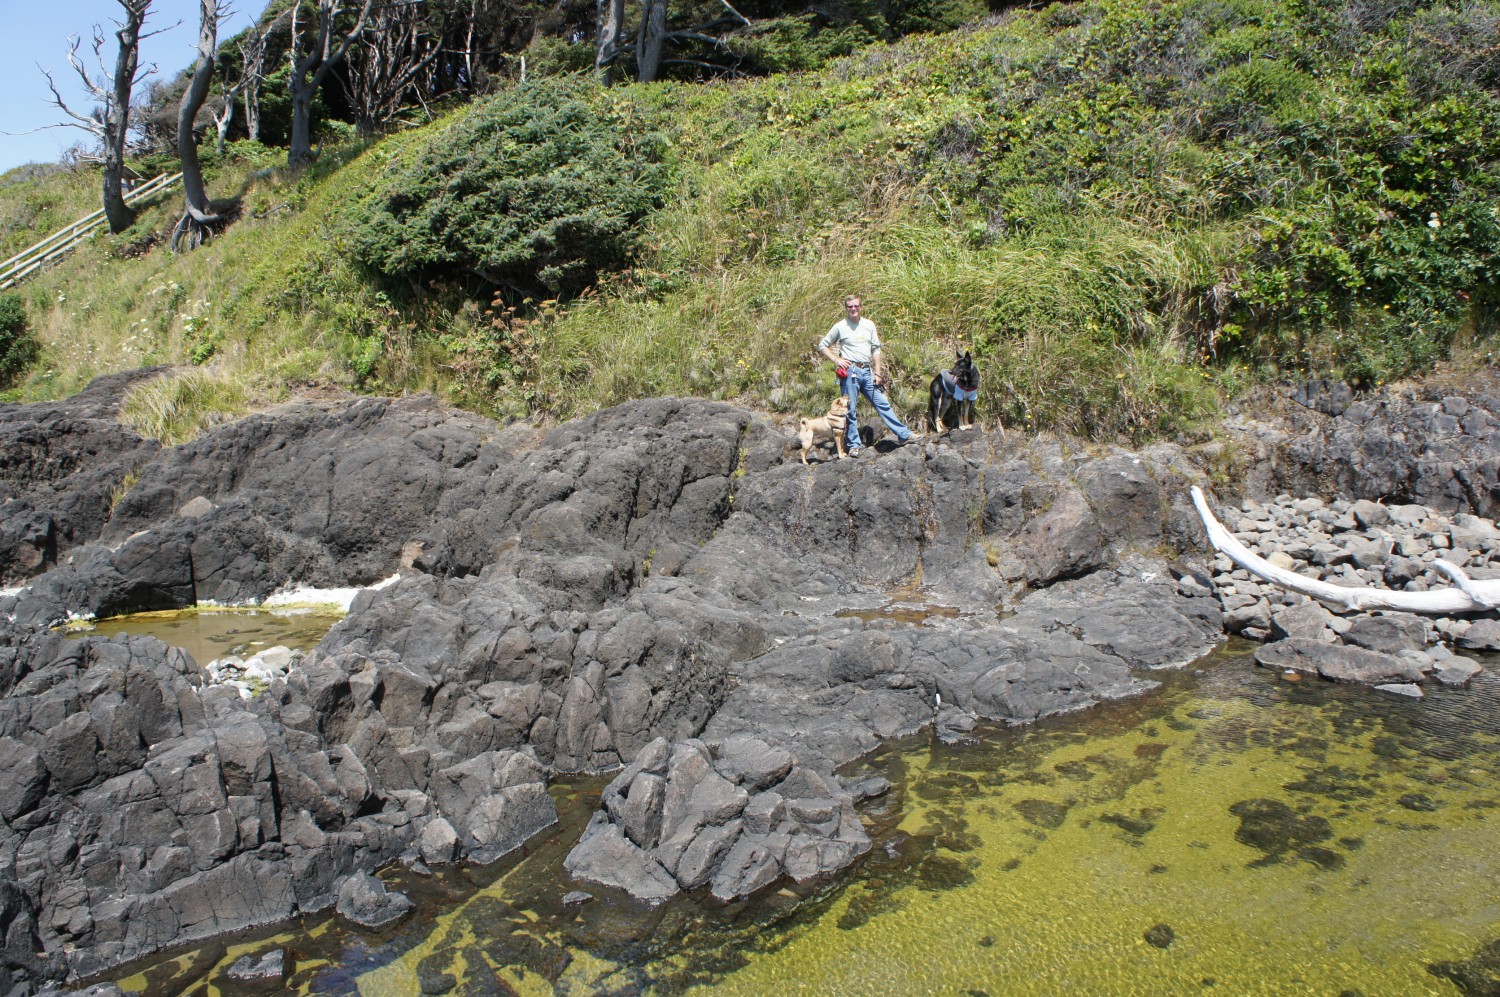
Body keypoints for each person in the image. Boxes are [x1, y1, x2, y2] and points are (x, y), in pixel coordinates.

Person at [817, 295, 919, 457]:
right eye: (850, 306)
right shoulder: (840, 326)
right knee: (850, 410)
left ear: (861, 307)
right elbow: (823, 345)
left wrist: (877, 372)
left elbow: (876, 349)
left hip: (867, 371)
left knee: (882, 403)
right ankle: (853, 445)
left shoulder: (868, 325)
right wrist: (837, 360)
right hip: (850, 372)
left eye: (856, 306)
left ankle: (904, 434)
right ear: (846, 308)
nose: (853, 309)